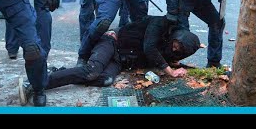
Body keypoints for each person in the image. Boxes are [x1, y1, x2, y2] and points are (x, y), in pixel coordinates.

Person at [19, 15, 201, 103]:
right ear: (176, 35)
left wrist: (177, 67)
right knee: (92, 71)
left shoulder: (172, 49)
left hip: (120, 60)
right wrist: (169, 71)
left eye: (177, 50)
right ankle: (35, 82)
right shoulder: (160, 24)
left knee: (105, 80)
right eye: (175, 44)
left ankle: (57, 73)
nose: (174, 48)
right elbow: (149, 48)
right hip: (112, 41)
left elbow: (164, 57)